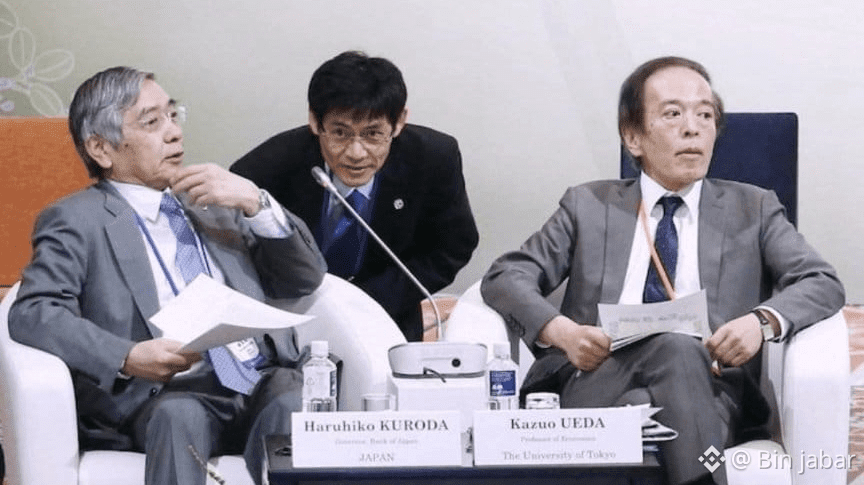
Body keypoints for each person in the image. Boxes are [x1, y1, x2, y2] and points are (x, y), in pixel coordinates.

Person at [481, 56, 844, 485]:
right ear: (633, 137)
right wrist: (565, 334)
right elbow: (506, 276)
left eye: (705, 115)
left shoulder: (754, 208)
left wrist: (760, 322)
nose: (693, 129)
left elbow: (821, 281)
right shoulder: (588, 205)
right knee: (672, 353)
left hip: (712, 387)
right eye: (673, 114)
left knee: (657, 385)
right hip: (596, 379)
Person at [8, 67, 326, 485]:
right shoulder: (76, 220)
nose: (174, 133)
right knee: (180, 416)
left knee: (295, 399)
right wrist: (126, 356)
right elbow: (34, 312)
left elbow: (302, 280)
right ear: (101, 148)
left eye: (173, 115)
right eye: (152, 122)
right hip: (169, 392)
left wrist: (257, 202)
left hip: (261, 376)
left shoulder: (214, 198)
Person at [230, 51, 479, 341]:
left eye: (373, 134)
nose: (356, 153)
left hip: (385, 314)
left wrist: (365, 305)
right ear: (315, 121)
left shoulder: (433, 158)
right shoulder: (267, 168)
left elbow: (452, 246)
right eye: (340, 133)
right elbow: (236, 256)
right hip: (290, 321)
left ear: (399, 122)